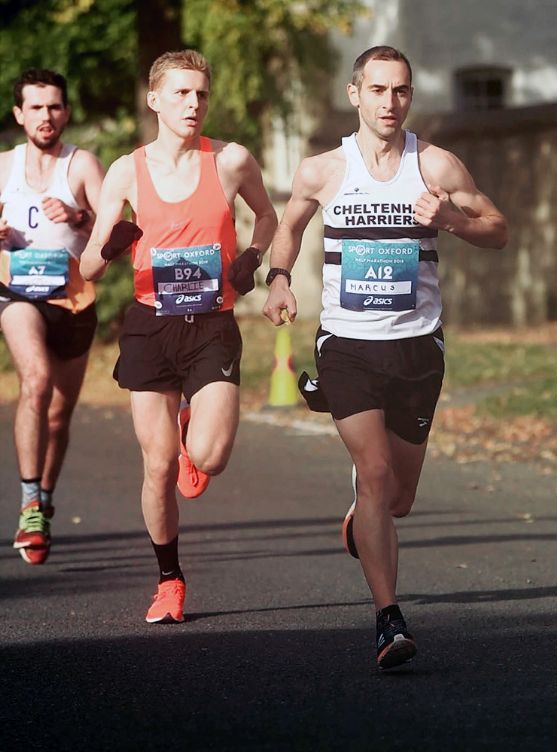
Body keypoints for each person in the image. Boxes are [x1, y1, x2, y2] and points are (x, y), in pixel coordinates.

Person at [263, 46, 508, 669]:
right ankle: (387, 619)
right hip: (347, 343)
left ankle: (363, 518)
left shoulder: (436, 165)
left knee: (398, 497)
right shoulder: (323, 170)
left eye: (400, 91)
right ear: (356, 94)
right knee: (373, 474)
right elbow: (289, 227)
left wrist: (451, 218)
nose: (389, 102)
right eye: (378, 90)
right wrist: (281, 278)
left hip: (418, 346)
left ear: (410, 96)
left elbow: (498, 228)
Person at [80, 50, 278, 623]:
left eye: (202, 95)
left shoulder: (232, 160)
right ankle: (169, 580)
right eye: (182, 94)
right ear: (155, 100)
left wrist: (253, 258)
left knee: (209, 458)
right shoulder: (125, 170)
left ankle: (193, 425)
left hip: (212, 323)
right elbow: (90, 268)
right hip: (148, 325)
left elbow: (266, 216)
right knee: (159, 464)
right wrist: (112, 246)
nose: (194, 104)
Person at [0, 69, 105, 565]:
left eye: (54, 107)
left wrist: (79, 217)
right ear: (19, 114)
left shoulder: (81, 165)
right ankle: (27, 505)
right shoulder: (3, 167)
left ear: (65, 112)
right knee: (35, 381)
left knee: (59, 415)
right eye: (36, 107)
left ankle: (43, 497)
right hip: (16, 293)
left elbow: (118, 230)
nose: (46, 116)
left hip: (74, 298)